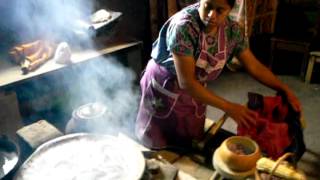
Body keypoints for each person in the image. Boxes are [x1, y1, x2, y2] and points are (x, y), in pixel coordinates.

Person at [135, 0, 301, 149]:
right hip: (166, 84)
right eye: (208, 6)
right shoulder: (184, 27)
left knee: (188, 141)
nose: (211, 15)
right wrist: (229, 107)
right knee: (158, 138)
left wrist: (284, 88)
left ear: (230, 9)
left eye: (220, 10)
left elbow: (254, 66)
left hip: (196, 90)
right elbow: (186, 82)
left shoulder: (232, 31)